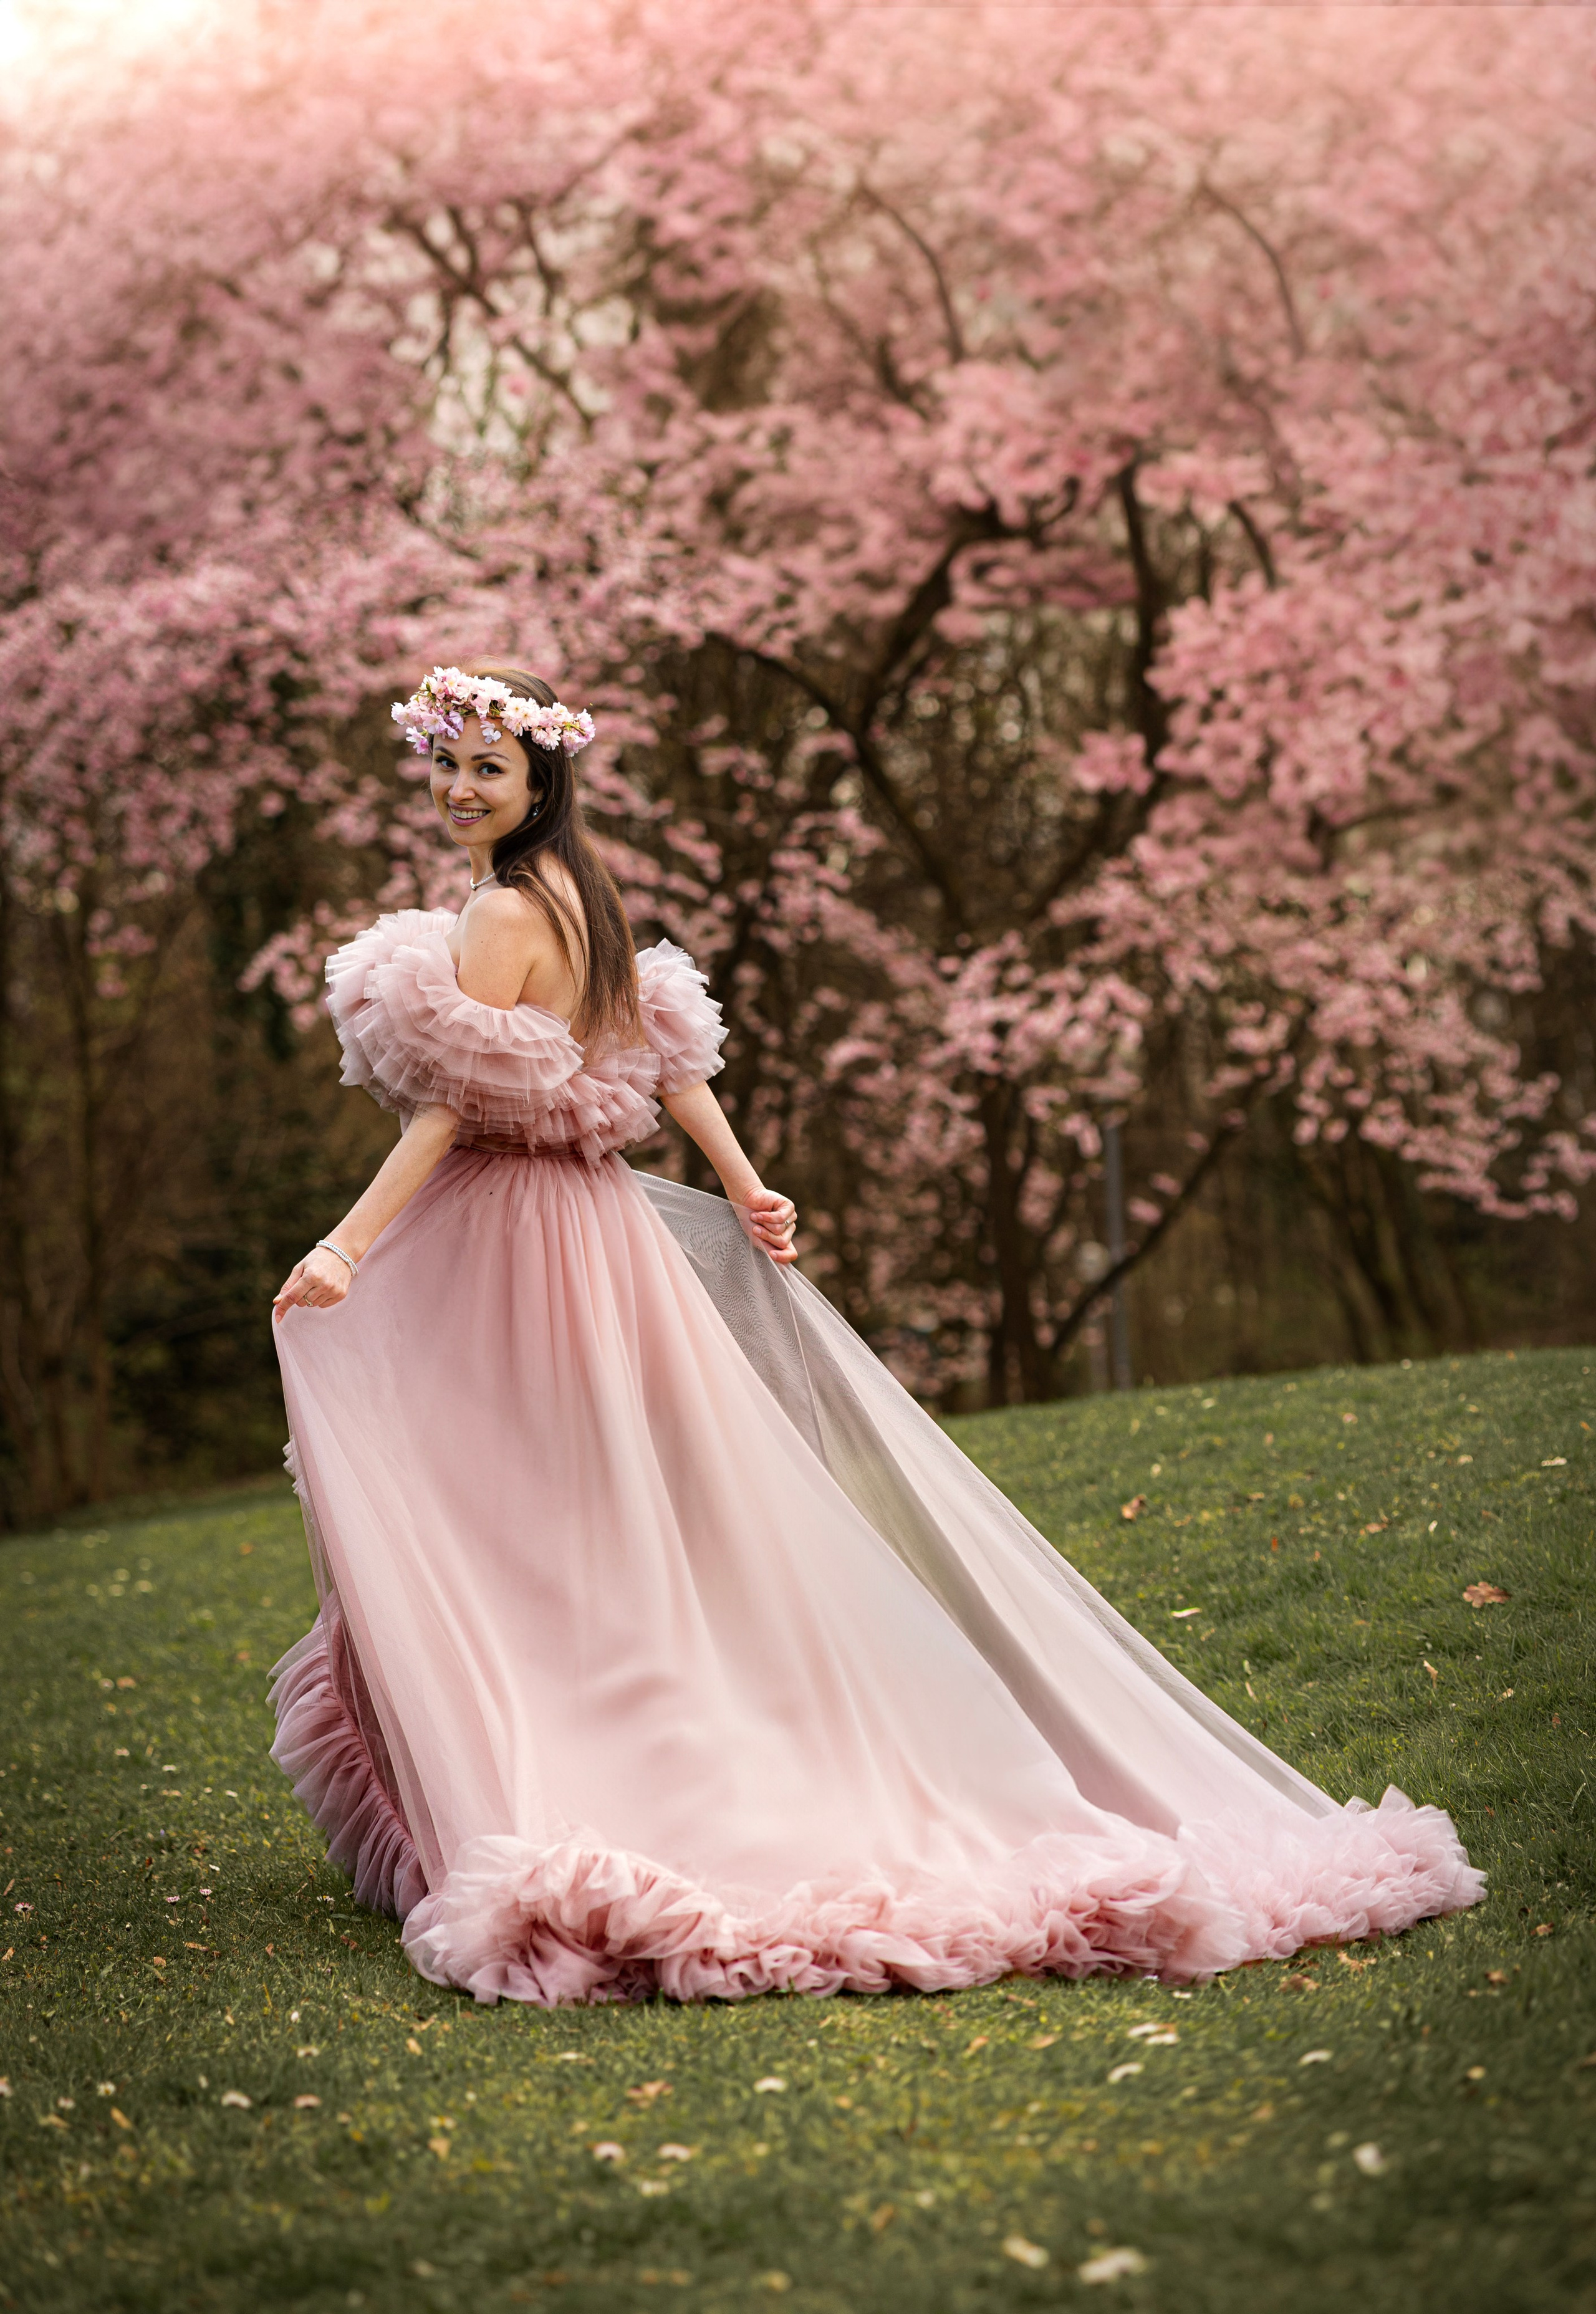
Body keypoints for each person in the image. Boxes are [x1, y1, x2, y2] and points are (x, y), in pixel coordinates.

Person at [269, 661, 1483, 2008]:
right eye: (444, 764)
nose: (456, 789)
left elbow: (445, 1106)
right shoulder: (587, 902)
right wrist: (742, 1181)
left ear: (540, 779)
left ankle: (574, 1748)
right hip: (597, 1234)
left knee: (499, 1500)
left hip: (509, 1233)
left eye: (485, 767)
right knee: (594, 1498)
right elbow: (665, 1062)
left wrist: (347, 1243)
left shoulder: (504, 908)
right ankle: (609, 1721)